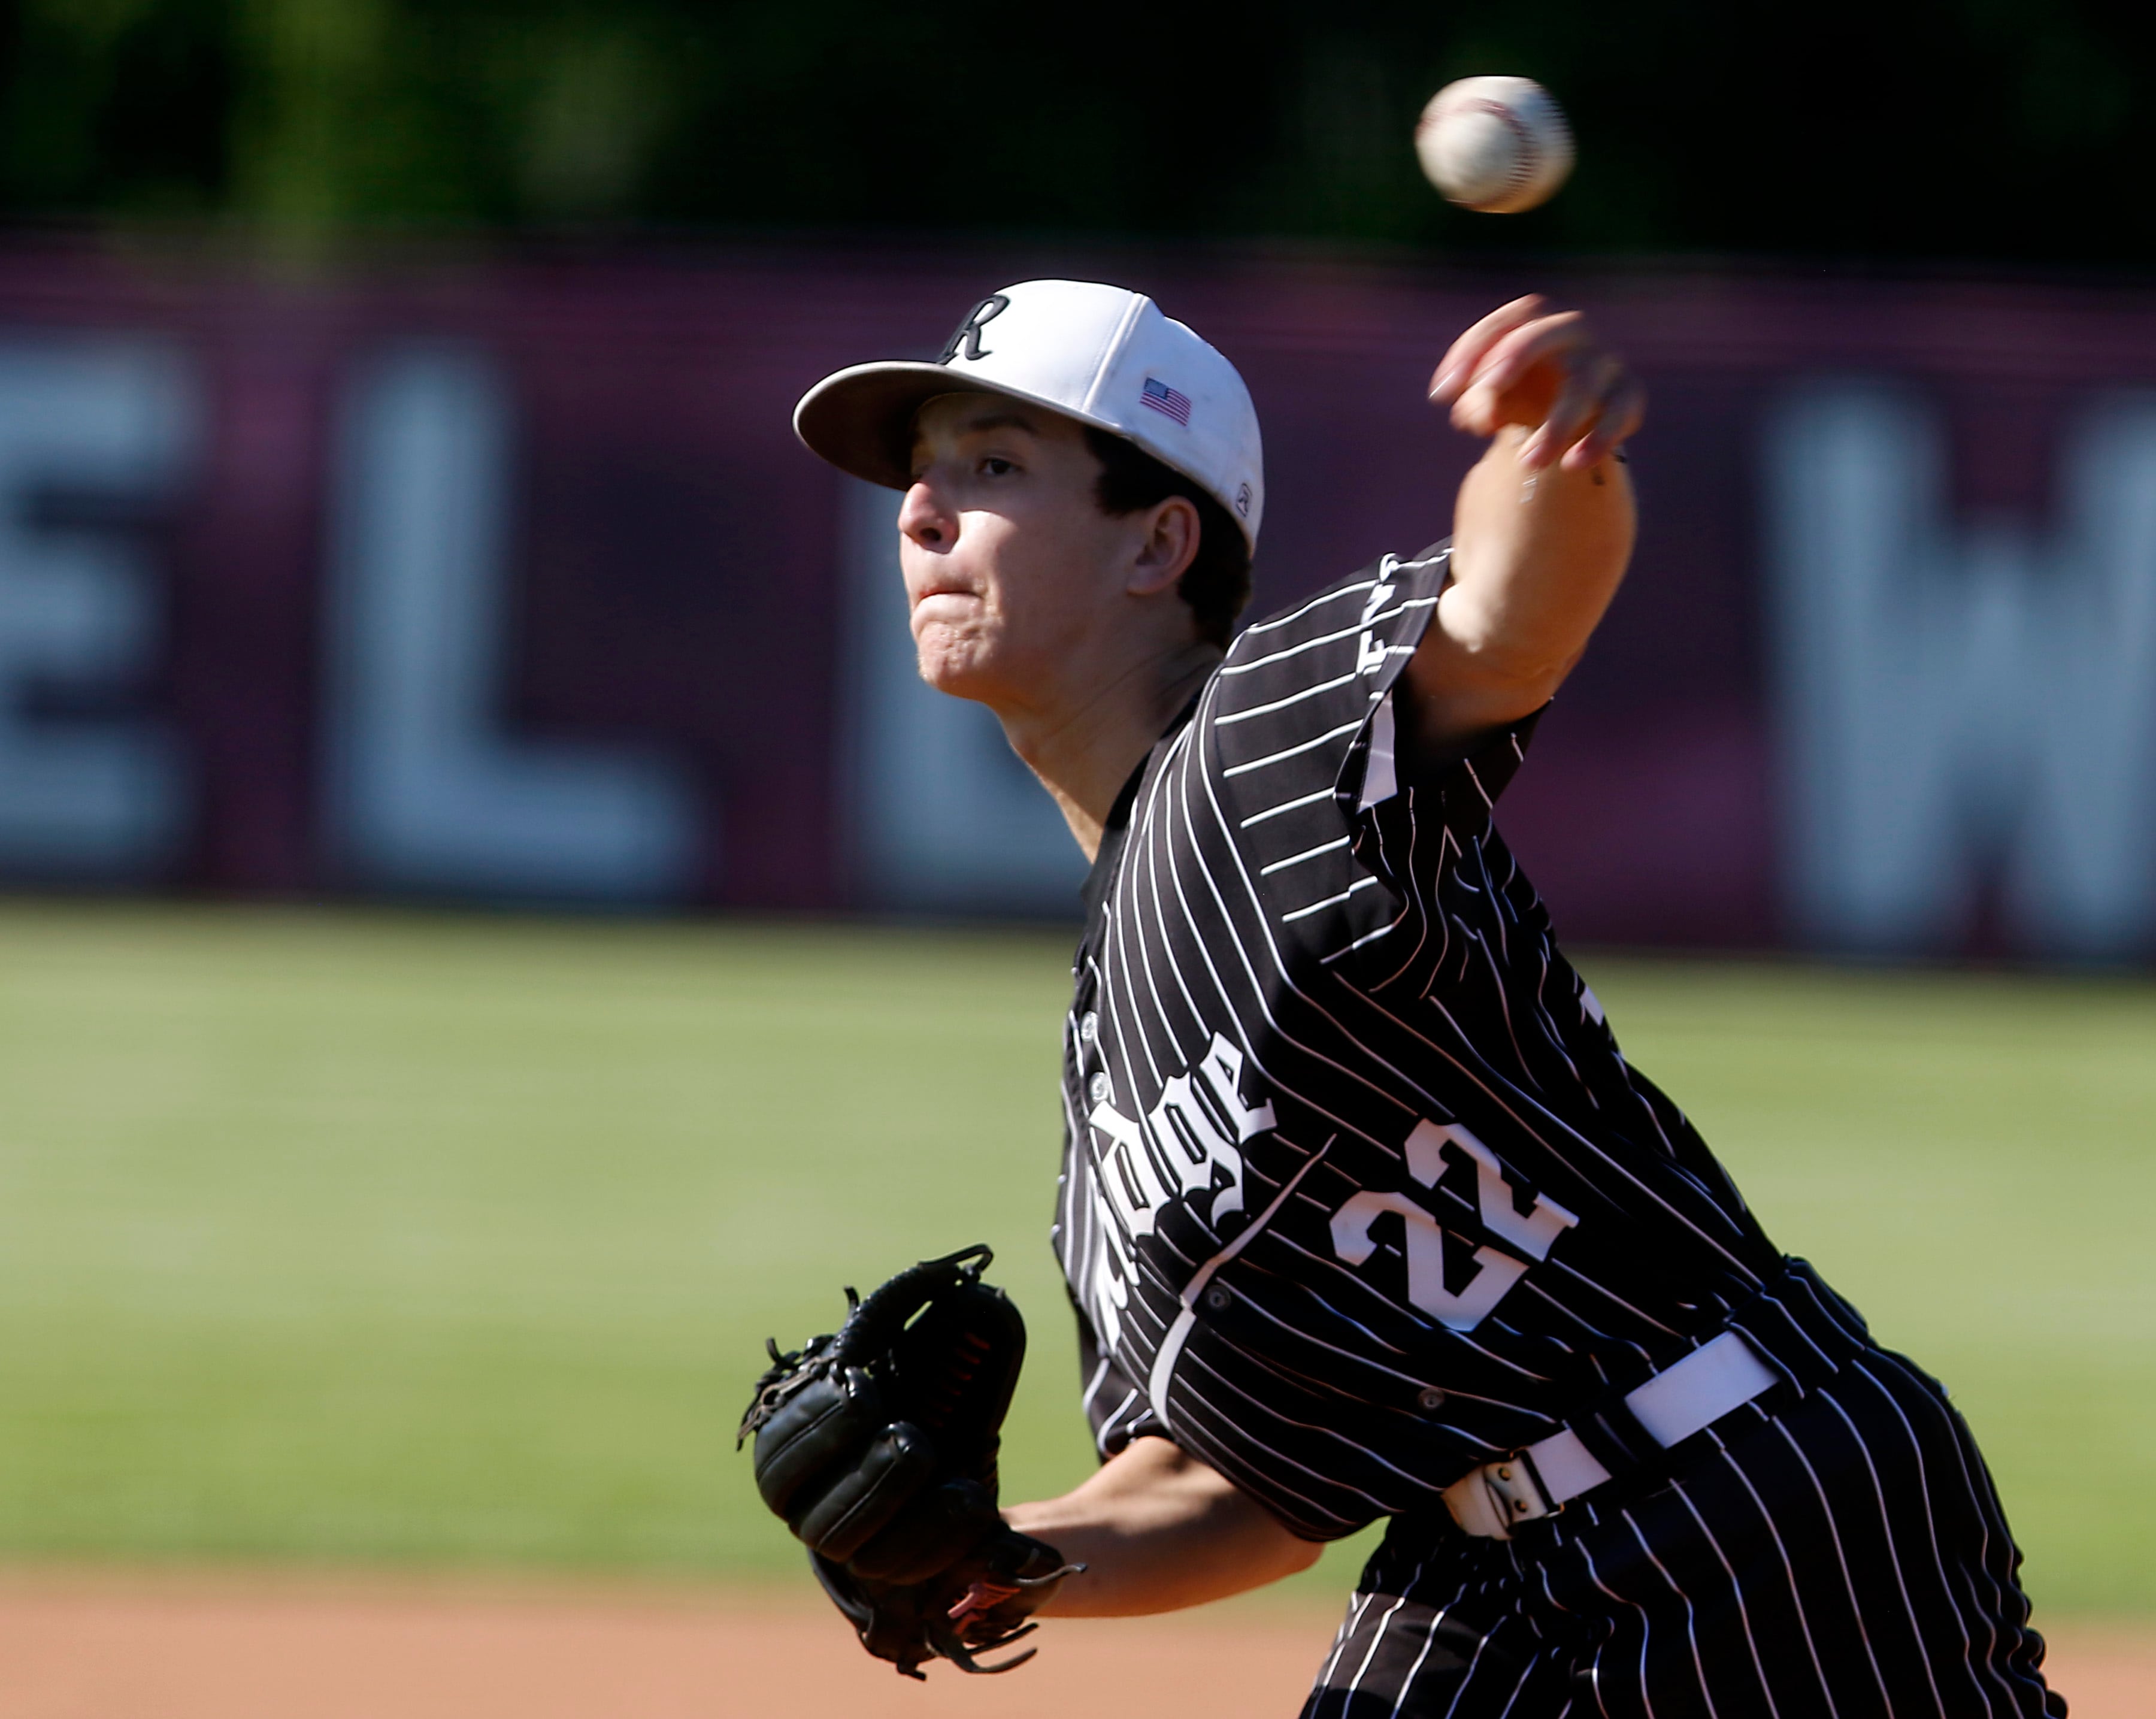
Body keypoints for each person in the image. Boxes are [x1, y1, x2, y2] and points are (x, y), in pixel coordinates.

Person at [791, 278, 2061, 1715]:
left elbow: (1510, 624)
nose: (920, 513)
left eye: (994, 467)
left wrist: (1556, 453)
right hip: (1486, 1575)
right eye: (923, 474)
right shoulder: (1107, 1068)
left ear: (1161, 542)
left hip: (1745, 1503)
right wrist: (1006, 1551)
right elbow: (1241, 1482)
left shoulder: (1257, 745)